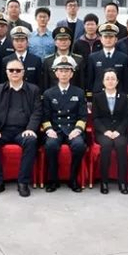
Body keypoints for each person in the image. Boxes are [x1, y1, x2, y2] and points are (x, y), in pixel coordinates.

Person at [0, 58, 42, 197]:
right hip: (3, 130)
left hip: (23, 130)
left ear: (23, 72)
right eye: (11, 70)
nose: (14, 73)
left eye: (18, 70)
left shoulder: (33, 90)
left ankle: (23, 182)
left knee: (31, 141)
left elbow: (37, 112)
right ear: (6, 72)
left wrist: (30, 129)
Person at [41, 56, 87, 193]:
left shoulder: (79, 93)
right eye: (61, 71)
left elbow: (83, 116)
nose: (64, 74)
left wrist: (77, 130)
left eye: (67, 71)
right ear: (56, 73)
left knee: (79, 145)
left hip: (72, 128)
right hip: (55, 129)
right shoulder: (48, 93)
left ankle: (73, 179)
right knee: (50, 145)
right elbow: (45, 116)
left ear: (72, 74)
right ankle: (53, 179)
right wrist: (49, 130)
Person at [92, 69, 128, 194]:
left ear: (117, 81)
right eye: (107, 79)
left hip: (119, 131)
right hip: (103, 131)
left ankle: (122, 182)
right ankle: (104, 182)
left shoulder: (124, 97)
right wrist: (105, 131)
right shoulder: (97, 97)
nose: (110, 81)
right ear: (103, 81)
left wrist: (119, 131)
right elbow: (95, 118)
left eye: (113, 78)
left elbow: (126, 118)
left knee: (121, 145)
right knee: (106, 146)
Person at [86, 23, 128, 99]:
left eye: (111, 37)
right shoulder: (93, 57)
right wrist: (89, 96)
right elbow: (90, 79)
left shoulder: (123, 57)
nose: (108, 40)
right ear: (101, 39)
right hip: (98, 96)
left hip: (118, 96)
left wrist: (125, 96)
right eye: (105, 37)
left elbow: (125, 80)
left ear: (116, 39)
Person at [42, 26, 85, 90]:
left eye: (65, 39)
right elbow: (45, 83)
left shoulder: (78, 60)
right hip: (53, 94)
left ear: (70, 42)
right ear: (55, 42)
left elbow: (81, 83)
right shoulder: (48, 61)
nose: (63, 42)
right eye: (60, 40)